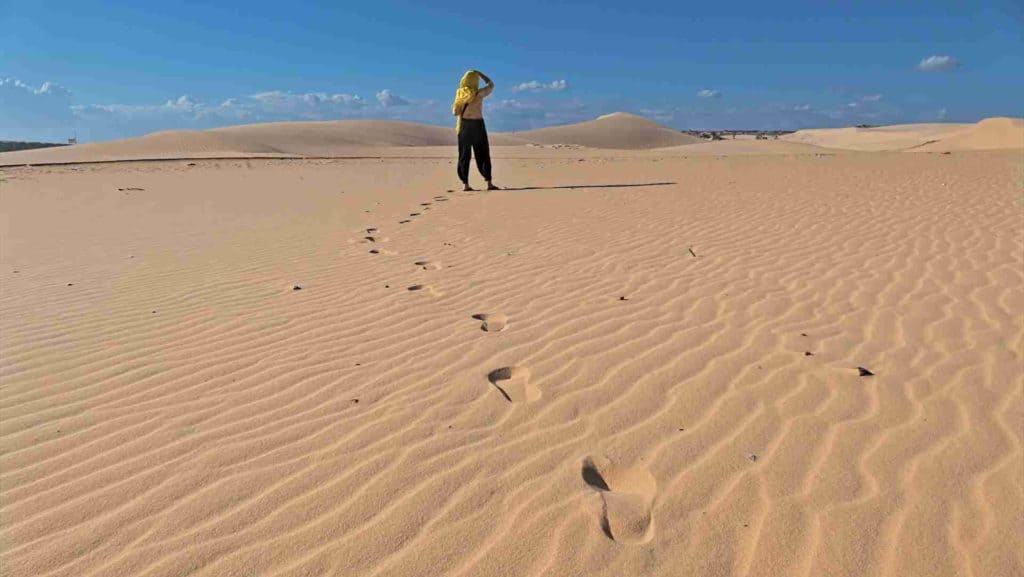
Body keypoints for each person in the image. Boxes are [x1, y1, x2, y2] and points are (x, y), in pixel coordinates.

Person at [452, 70, 499, 191]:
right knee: (483, 153)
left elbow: (455, 112)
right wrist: (482, 75)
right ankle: (489, 183)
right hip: (478, 124)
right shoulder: (479, 93)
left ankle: (465, 184)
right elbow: (491, 85)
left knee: (464, 155)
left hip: (464, 125)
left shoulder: (460, 94)